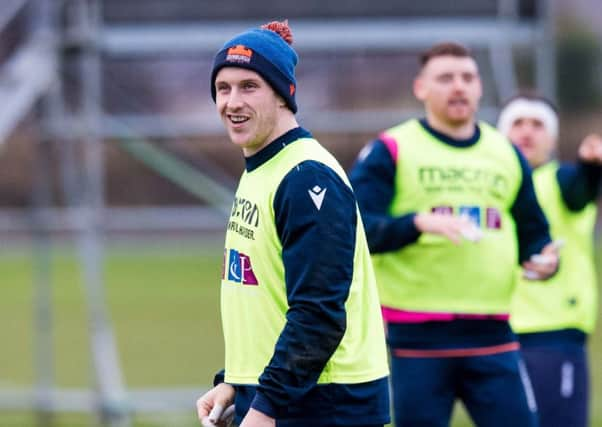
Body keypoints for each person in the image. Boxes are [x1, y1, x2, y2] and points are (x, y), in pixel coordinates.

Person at [349, 42, 559, 427]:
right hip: (417, 338)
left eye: (468, 77)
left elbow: (534, 233)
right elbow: (356, 229)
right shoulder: (392, 149)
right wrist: (415, 224)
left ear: (480, 88)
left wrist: (545, 259)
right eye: (445, 78)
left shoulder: (506, 153)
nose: (459, 86)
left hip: (493, 332)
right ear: (421, 88)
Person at [195, 20, 390, 427]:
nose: (232, 102)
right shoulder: (263, 169)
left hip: (325, 401)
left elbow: (318, 314)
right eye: (223, 88)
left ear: (283, 95)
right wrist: (235, 382)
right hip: (286, 394)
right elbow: (264, 293)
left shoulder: (306, 177)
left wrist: (266, 409)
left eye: (249, 87)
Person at [497, 92, 602, 427]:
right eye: (518, 123)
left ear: (553, 138)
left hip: (552, 335)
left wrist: (590, 167)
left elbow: (580, 190)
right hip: (496, 332)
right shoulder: (491, 189)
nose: (527, 131)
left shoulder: (559, 181)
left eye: (538, 124)